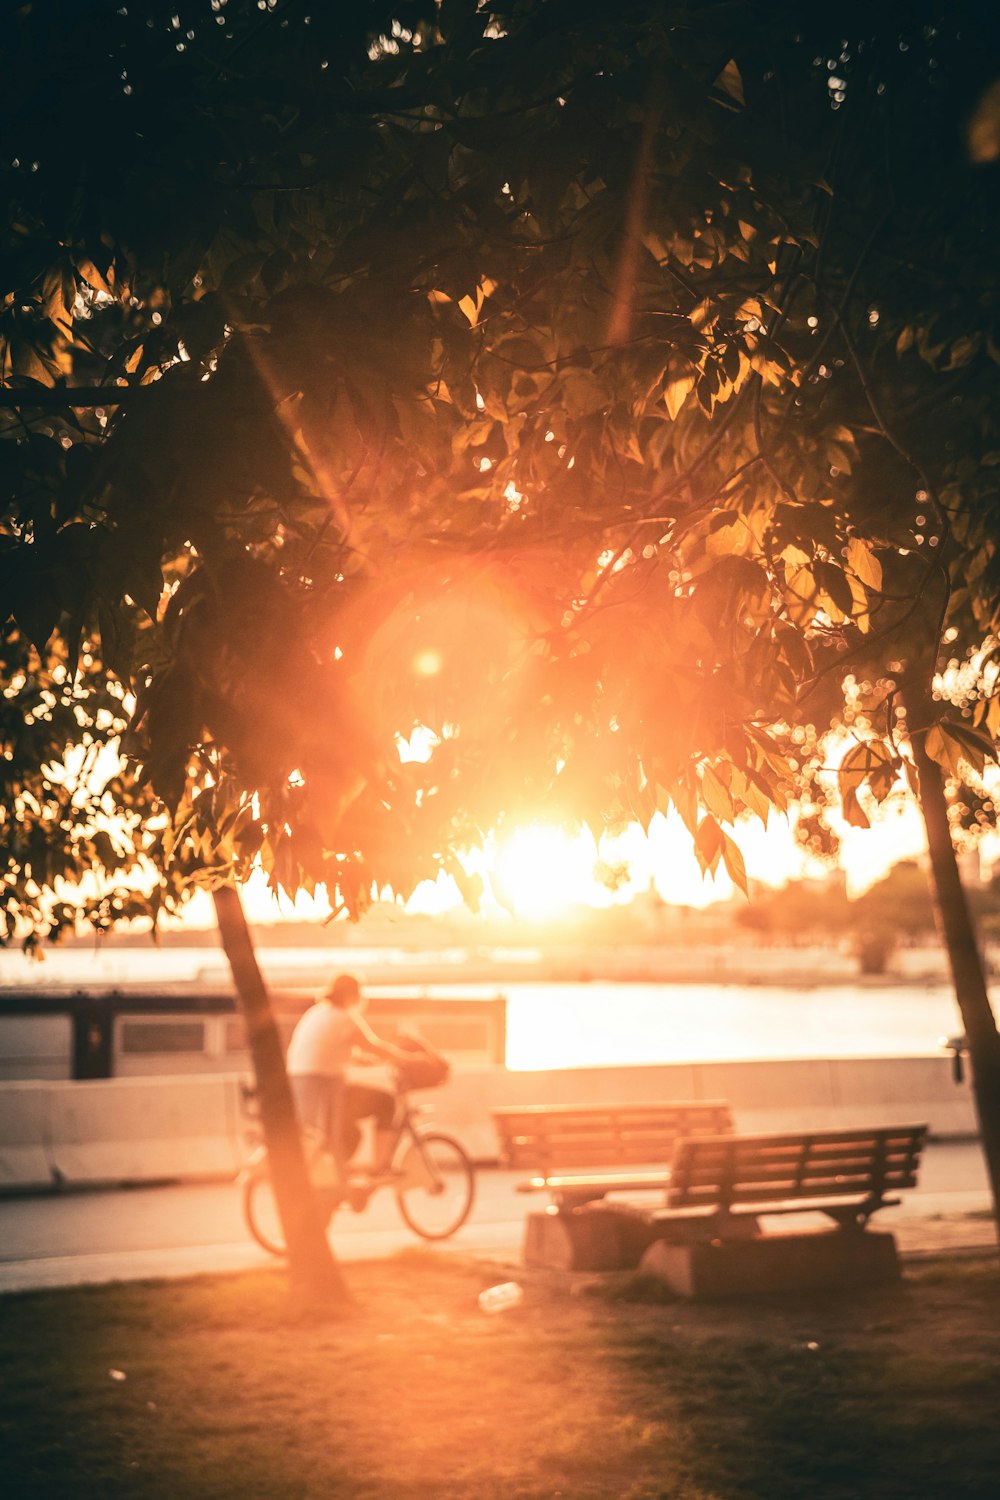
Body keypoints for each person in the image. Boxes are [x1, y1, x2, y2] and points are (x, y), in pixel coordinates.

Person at [285, 972, 414, 1181]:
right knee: (385, 1102)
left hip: (303, 1088)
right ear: (352, 994)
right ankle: (380, 1167)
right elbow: (373, 1045)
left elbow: (328, 1051)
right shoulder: (344, 1017)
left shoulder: (317, 1013)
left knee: (351, 1133)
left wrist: (361, 1061)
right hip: (325, 1089)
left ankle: (334, 1178)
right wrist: (407, 1058)